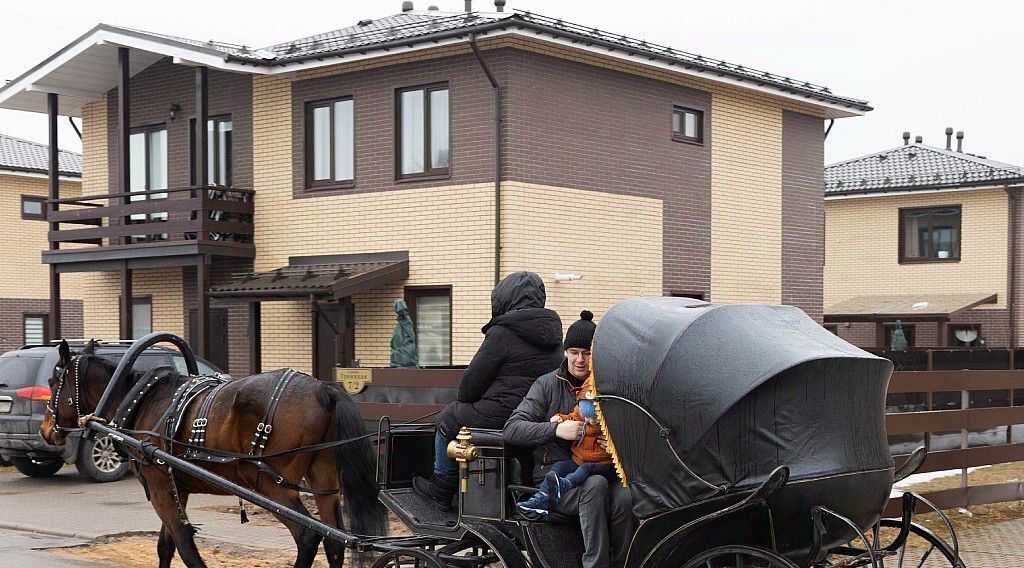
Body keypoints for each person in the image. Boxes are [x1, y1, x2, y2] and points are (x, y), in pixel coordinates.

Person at [413, 271, 563, 510]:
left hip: (501, 415)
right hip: (536, 418)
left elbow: (469, 389)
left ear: (505, 298)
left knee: (447, 417)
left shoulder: (502, 333)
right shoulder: (554, 335)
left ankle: (441, 488)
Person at [504, 310, 636, 568]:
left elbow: (631, 432)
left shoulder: (608, 387)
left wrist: (615, 446)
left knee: (626, 496)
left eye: (587, 353)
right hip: (557, 479)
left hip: (602, 470)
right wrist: (554, 431)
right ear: (565, 352)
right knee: (595, 485)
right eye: (574, 351)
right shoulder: (546, 385)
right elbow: (513, 428)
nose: (580, 360)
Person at [517, 374, 616, 518]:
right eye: (586, 416)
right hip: (578, 460)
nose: (588, 421)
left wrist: (616, 448)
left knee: (588, 472)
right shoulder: (581, 410)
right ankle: (541, 498)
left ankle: (566, 484)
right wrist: (560, 421)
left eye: (594, 418)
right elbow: (573, 417)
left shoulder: (607, 420)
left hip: (602, 464)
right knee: (559, 467)